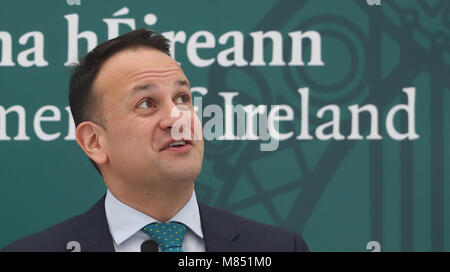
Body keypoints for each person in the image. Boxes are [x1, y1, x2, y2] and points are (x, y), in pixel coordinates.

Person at [1, 28, 309, 252]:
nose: (178, 118)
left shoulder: (279, 248)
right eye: (147, 103)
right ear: (94, 141)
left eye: (183, 98)